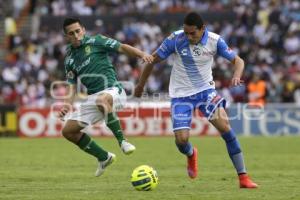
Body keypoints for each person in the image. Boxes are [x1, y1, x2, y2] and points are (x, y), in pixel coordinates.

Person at [134, 12, 258, 188]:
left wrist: (237, 75)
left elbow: (238, 61)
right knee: (182, 140)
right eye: (186, 32)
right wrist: (140, 85)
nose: (188, 36)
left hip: (205, 92)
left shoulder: (215, 40)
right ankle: (191, 154)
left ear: (202, 29)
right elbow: (151, 60)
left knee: (225, 127)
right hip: (180, 95)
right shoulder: (175, 39)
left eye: (192, 33)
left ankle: (243, 178)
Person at [58, 17, 153, 177]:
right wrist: (67, 104)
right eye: (71, 33)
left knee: (101, 99)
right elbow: (72, 86)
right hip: (94, 98)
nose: (75, 35)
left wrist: (141, 54)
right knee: (68, 131)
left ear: (83, 30)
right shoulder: (69, 59)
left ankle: (123, 141)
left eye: (77, 31)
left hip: (113, 91)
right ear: (66, 36)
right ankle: (104, 157)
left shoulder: (97, 41)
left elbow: (121, 47)